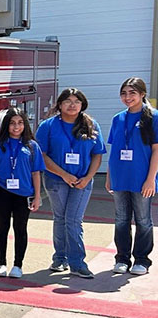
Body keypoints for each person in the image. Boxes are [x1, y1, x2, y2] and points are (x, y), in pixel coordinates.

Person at [36, 88, 105, 278]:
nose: (72, 104)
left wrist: (89, 177)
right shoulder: (48, 126)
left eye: (77, 101)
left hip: (82, 181)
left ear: (82, 104)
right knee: (61, 219)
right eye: (68, 101)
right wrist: (64, 174)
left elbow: (97, 154)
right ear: (59, 104)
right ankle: (59, 259)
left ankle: (77, 263)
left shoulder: (91, 125)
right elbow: (42, 155)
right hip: (56, 179)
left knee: (73, 219)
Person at [106, 77, 158, 275]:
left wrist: (151, 178)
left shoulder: (153, 117)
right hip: (120, 178)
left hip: (141, 178)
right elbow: (114, 150)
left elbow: (156, 150)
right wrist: (110, 177)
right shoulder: (118, 119)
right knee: (121, 219)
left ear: (142, 94)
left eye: (132, 93)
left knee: (143, 219)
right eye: (124, 93)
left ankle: (142, 260)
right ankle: (122, 258)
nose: (128, 97)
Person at [0, 107, 44, 278]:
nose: (16, 127)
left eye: (20, 123)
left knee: (20, 229)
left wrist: (37, 196)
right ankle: (1, 263)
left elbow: (36, 173)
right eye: (12, 123)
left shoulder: (32, 146)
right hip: (1, 191)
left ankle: (18, 265)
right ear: (6, 125)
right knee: (2, 227)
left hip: (23, 193)